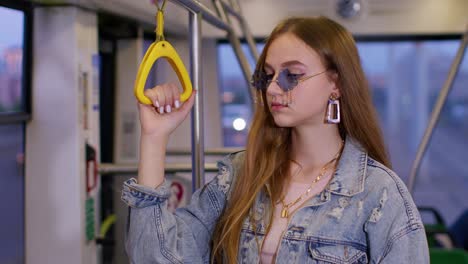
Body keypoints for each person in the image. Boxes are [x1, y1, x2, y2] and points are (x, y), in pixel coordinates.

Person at [121, 16, 429, 263]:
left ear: (335, 84)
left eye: (291, 75)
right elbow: (155, 256)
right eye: (267, 75)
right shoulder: (241, 174)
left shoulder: (379, 195)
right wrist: (154, 138)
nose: (272, 88)